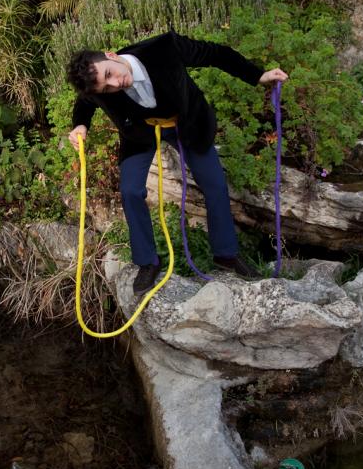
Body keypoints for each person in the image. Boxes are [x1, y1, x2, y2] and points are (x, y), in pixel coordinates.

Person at [66, 30, 288, 295]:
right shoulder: (97, 87)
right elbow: (84, 103)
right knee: (130, 190)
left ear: (111, 56)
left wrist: (258, 75)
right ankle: (148, 262)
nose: (115, 84)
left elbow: (216, 54)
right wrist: (80, 125)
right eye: (107, 87)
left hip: (187, 122)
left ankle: (226, 254)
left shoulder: (164, 47)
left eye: (110, 75)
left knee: (215, 183)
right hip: (141, 133)